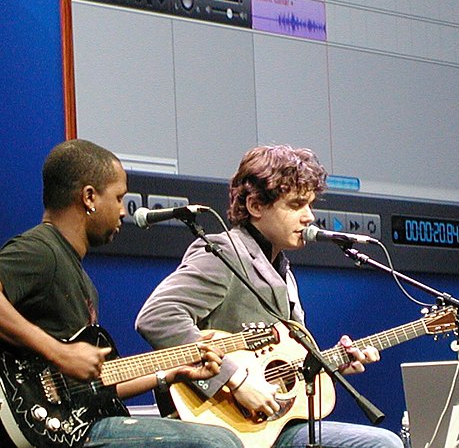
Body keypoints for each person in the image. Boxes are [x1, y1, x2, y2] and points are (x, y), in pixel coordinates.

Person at [135, 144, 402, 447]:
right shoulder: (223, 252)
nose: (309, 217)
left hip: (273, 424)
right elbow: (158, 316)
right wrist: (236, 380)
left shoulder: (283, 271)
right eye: (296, 205)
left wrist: (334, 362)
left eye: (311, 205)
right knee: (382, 444)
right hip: (228, 424)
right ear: (256, 206)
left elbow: (286, 362)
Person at [0, 139, 243, 448]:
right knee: (219, 442)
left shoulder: (80, 278)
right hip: (61, 430)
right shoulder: (40, 249)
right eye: (118, 198)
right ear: (89, 197)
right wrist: (58, 352)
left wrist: (171, 372)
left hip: (80, 423)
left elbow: (97, 385)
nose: (122, 212)